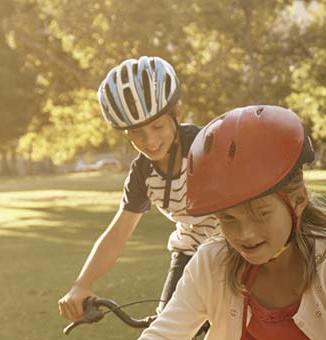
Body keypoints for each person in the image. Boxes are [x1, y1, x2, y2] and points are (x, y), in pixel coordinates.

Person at [139, 105, 326, 340]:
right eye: (228, 218)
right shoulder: (211, 263)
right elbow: (162, 335)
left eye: (261, 213)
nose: (245, 233)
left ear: (298, 201)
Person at [56, 57, 218, 336]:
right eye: (137, 133)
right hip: (190, 252)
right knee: (166, 330)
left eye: (157, 127)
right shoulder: (143, 174)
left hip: (240, 246)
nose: (150, 141)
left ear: (176, 115)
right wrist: (82, 284)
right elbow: (118, 234)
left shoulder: (208, 146)